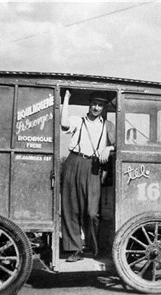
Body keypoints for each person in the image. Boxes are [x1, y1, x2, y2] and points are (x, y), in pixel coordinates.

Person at [61, 90, 115, 262]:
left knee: (92, 211)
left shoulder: (108, 125)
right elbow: (63, 125)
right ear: (89, 105)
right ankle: (75, 249)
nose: (96, 108)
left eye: (100, 105)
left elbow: (121, 143)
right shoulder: (79, 120)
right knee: (71, 207)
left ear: (103, 107)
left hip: (93, 166)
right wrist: (66, 99)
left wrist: (109, 148)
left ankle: (94, 246)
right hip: (73, 162)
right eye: (94, 104)